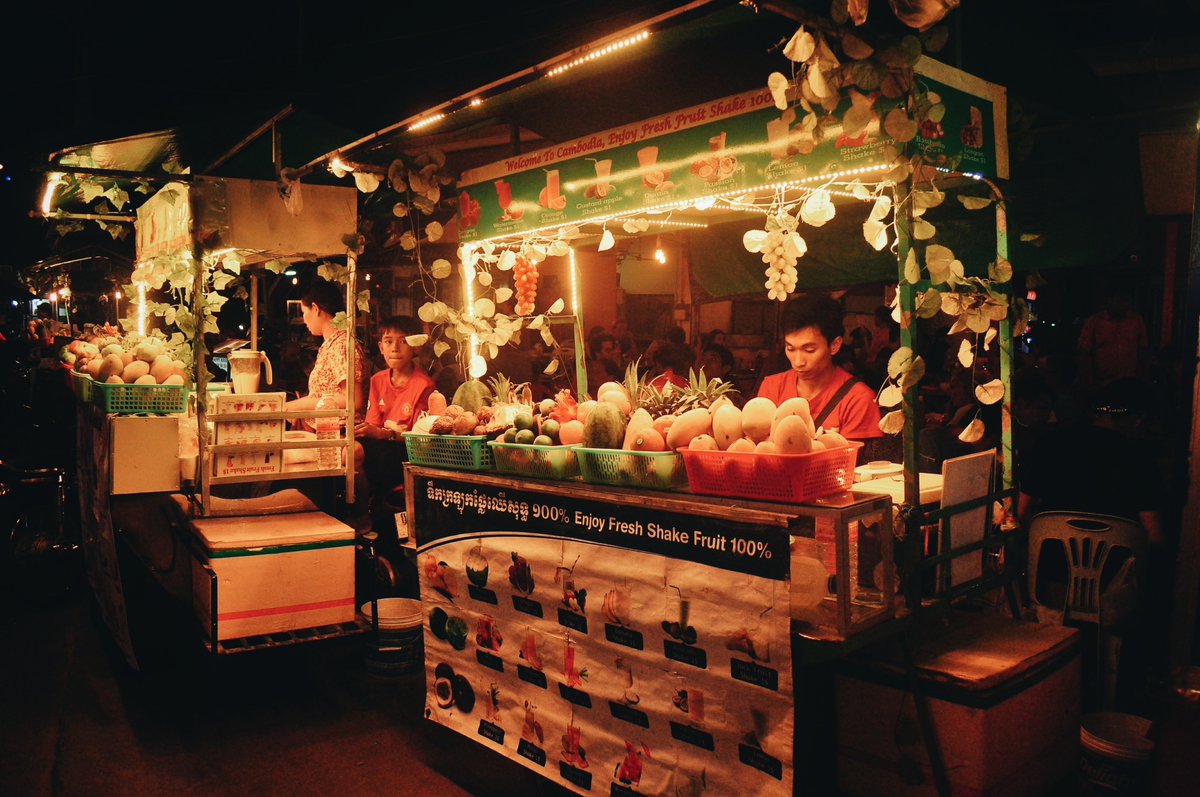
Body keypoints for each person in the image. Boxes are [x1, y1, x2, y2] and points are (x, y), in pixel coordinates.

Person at [355, 316, 435, 553]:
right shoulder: (377, 380)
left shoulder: (424, 385)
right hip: (378, 449)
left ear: (415, 347)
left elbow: (416, 435)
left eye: (402, 342)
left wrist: (383, 433)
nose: (395, 348)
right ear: (380, 347)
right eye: (388, 341)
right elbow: (372, 425)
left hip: (406, 453)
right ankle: (360, 519)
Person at [756, 294, 882, 443]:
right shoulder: (772, 388)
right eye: (790, 348)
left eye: (809, 350)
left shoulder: (858, 399)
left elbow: (851, 462)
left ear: (834, 345)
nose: (798, 362)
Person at [285, 279, 365, 423]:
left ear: (315, 309)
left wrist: (297, 405)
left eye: (304, 312)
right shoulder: (329, 344)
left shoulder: (342, 344)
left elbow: (352, 400)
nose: (303, 319)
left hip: (339, 433)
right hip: (323, 430)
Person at [1077, 289, 1148, 390]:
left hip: (1129, 381)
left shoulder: (1136, 320)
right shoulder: (1095, 321)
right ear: (1109, 301)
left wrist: (1144, 377)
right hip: (1102, 383)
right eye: (1120, 301)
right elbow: (1084, 351)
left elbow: (1142, 350)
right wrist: (1087, 380)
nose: (1124, 305)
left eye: (1127, 301)